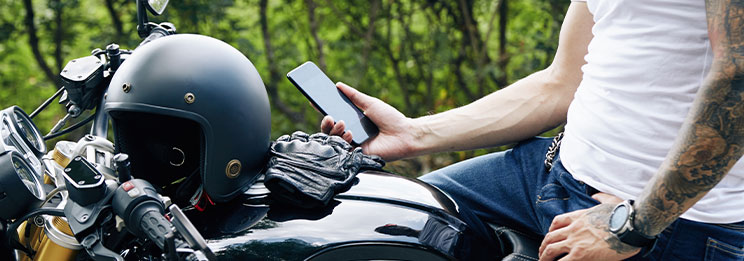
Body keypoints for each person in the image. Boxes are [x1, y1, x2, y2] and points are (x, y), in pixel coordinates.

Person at [321, 0, 744, 260]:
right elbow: (562, 82)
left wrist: (632, 225)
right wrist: (415, 133)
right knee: (381, 222)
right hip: (548, 172)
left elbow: (737, 82)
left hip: (661, 222)